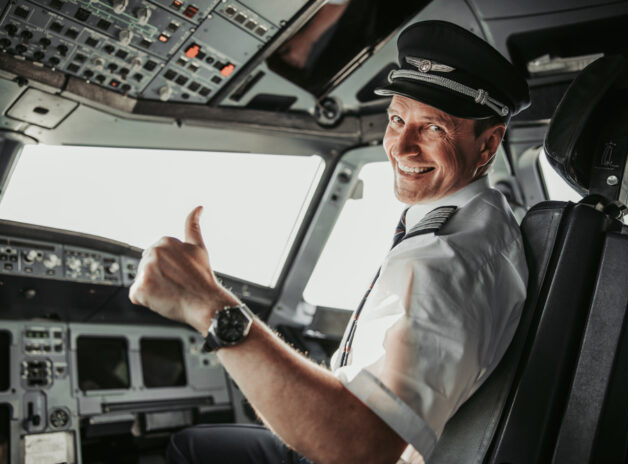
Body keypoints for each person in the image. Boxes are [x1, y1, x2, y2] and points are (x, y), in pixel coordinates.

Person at [129, 20, 530, 464]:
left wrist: (207, 305)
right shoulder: (479, 220)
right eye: (398, 119)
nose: (402, 147)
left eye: (433, 128)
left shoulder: (443, 261)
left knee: (189, 450)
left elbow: (363, 448)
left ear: (489, 145)